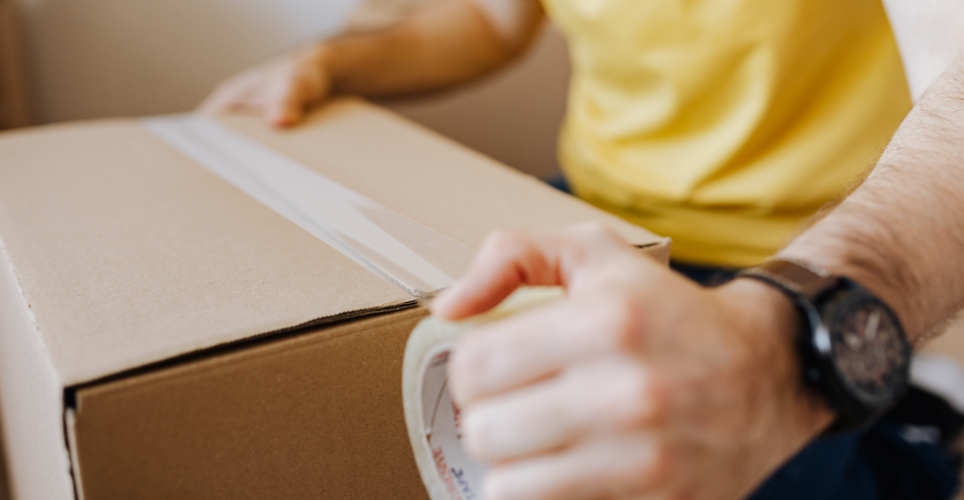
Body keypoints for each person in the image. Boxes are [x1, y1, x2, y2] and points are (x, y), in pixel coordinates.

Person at [201, 0, 964, 498]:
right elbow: (487, 17)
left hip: (795, 259)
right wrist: (332, 62)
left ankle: (906, 425)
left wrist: (789, 336)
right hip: (585, 219)